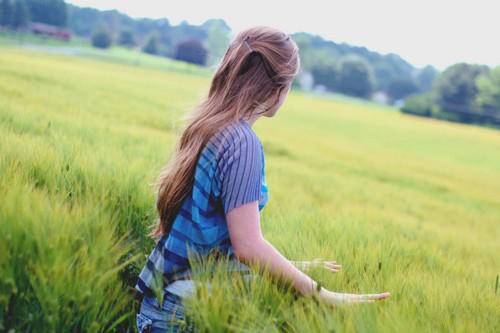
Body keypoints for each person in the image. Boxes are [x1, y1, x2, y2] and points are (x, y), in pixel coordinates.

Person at [134, 25, 390, 333]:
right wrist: (325, 295)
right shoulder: (242, 142)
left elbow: (212, 242)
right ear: (277, 87)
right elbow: (248, 246)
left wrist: (299, 267)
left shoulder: (207, 125)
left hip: (158, 310)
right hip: (183, 316)